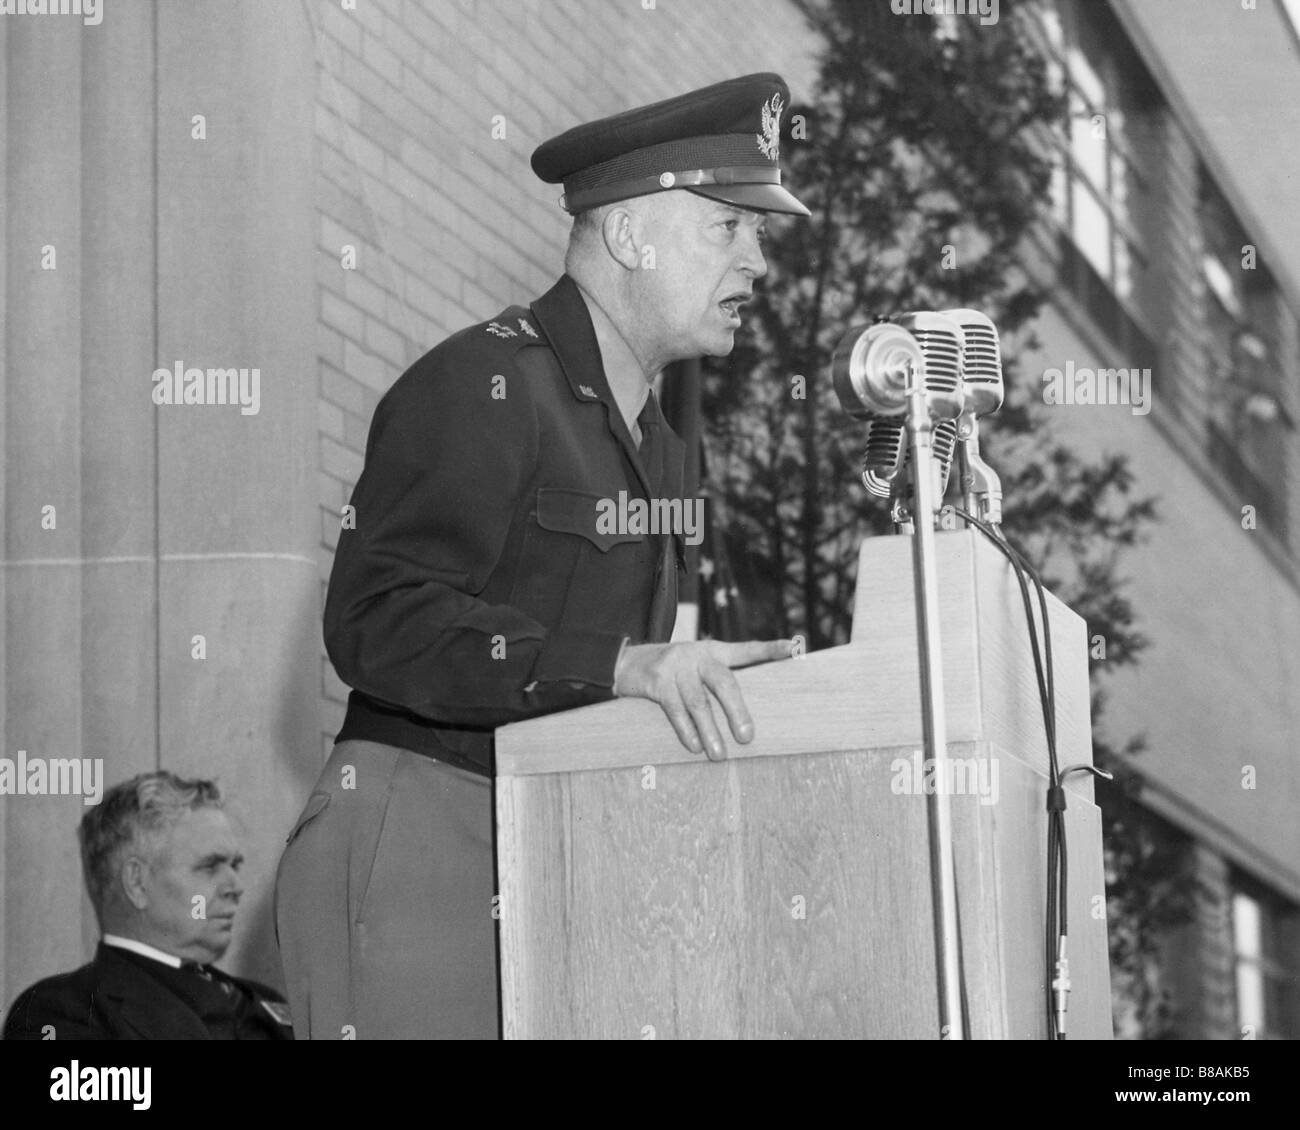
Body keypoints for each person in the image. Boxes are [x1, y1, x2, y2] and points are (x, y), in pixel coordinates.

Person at [275, 72, 811, 1040]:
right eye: (728, 227)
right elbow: (373, 616)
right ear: (628, 235)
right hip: (426, 840)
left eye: (758, 233)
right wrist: (614, 663)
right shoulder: (483, 381)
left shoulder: (666, 449)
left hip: (559, 852)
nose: (758, 261)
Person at [3, 771, 292, 1040]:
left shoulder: (268, 1003)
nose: (236, 887)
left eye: (234, 865)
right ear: (137, 883)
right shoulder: (59, 1011)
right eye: (210, 866)